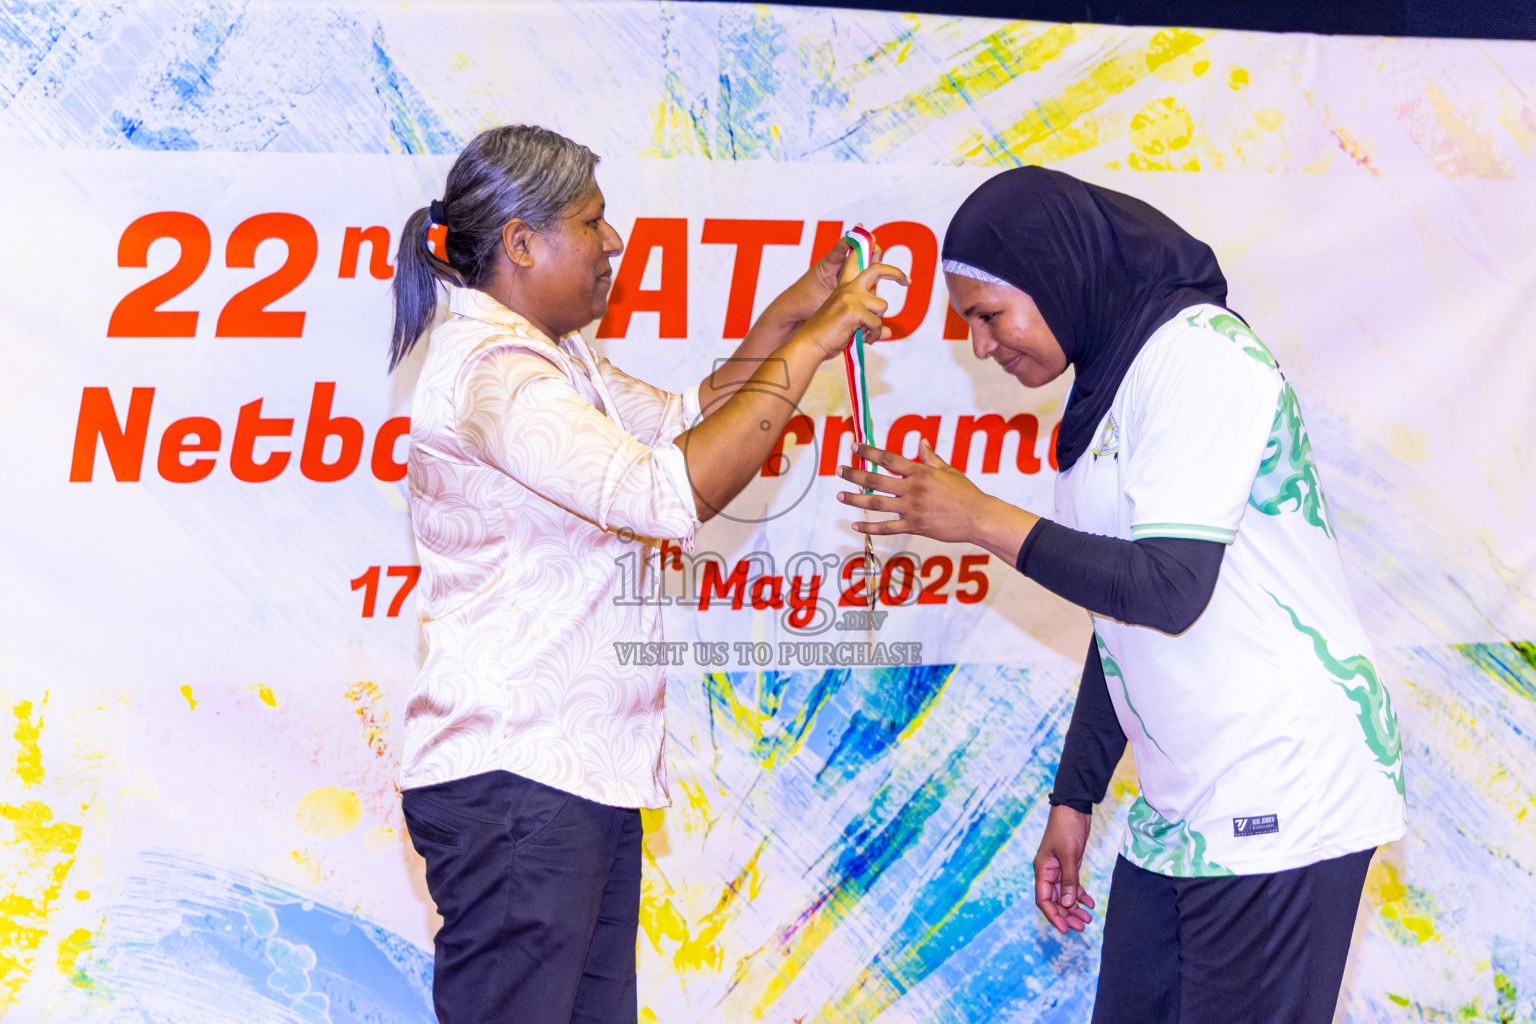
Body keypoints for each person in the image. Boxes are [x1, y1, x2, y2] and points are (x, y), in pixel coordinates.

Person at [837, 166, 1405, 1024]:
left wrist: (985, 519)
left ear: (1057, 271)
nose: (984, 348)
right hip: (1185, 808)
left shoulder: (1201, 355)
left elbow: (1169, 589)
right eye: (969, 329)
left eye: (989, 318)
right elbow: (1123, 624)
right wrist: (1076, 796)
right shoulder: (1106, 389)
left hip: (1282, 791)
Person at [387, 125, 904, 1024]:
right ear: (521, 242)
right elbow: (669, 494)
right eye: (592, 224)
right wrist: (815, 347)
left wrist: (795, 309)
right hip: (519, 779)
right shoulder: (495, 376)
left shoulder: (550, 356)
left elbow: (688, 418)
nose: (613, 243)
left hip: (569, 780)